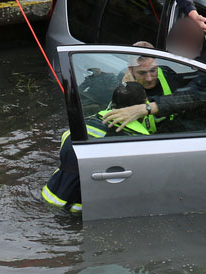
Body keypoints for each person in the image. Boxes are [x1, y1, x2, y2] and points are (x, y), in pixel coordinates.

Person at [41, 81, 152, 213]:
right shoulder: (141, 138)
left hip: (49, 193)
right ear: (142, 104)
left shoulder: (85, 123)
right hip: (79, 208)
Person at [102, 17, 206, 131]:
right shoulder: (122, 82)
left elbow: (188, 98)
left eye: (153, 70)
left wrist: (142, 109)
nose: (149, 78)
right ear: (130, 70)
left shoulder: (176, 75)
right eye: (142, 73)